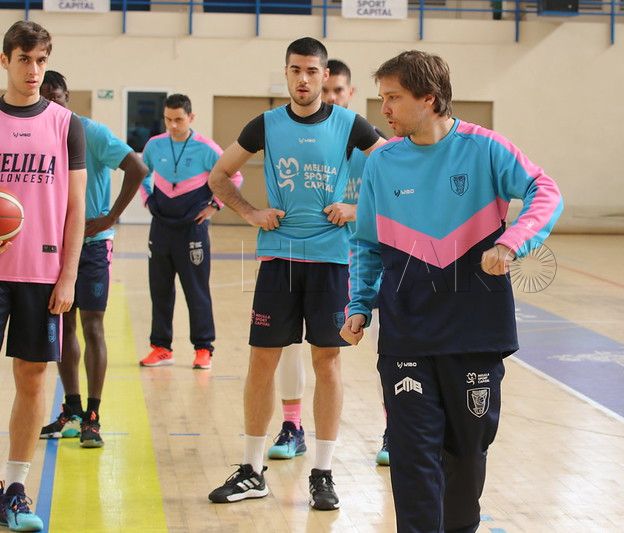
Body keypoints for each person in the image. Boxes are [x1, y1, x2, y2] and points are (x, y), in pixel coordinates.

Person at [339, 50, 563, 532]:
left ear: (430, 98)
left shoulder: (486, 149)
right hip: (407, 332)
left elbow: (546, 191)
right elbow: (365, 244)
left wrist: (511, 242)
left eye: (394, 98)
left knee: (467, 451)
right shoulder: (381, 164)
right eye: (383, 99)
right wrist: (360, 304)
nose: (385, 111)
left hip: (475, 331)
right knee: (411, 452)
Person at [206, 37, 384, 510]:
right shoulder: (264, 124)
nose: (303, 79)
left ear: (325, 76)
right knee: (261, 361)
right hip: (279, 260)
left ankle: (323, 474)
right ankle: (251, 469)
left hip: (331, 261)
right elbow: (218, 176)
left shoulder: (350, 124)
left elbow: (395, 173)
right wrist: (249, 213)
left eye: (311, 71)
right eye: (295, 71)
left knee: (328, 361)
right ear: (285, 74)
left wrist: (356, 207)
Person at [269, 58, 389, 467]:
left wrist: (355, 209)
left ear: (348, 95)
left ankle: (393, 427)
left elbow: (396, 191)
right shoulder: (306, 140)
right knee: (290, 343)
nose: (330, 98)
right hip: (316, 255)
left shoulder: (369, 142)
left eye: (338, 91)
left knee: (386, 345)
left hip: (366, 257)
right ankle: (292, 425)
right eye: (328, 90)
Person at [0, 20, 87, 532]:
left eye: (41, 60)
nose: (34, 70)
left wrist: (68, 274)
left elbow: (75, 208)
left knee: (33, 379)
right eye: (24, 59)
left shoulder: (64, 123)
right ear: (6, 60)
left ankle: (16, 485)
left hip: (40, 272)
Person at [38, 70, 148, 448]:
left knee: (93, 326)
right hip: (53, 246)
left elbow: (137, 167)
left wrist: (112, 216)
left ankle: (94, 417)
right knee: (62, 326)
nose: (51, 101)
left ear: (68, 97)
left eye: (57, 95)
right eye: (44, 95)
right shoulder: (37, 134)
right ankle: (71, 410)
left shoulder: (91, 132)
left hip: (92, 245)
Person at [138, 94, 242, 370]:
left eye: (179, 120)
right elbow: (141, 173)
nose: (173, 126)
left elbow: (236, 176)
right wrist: (147, 198)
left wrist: (215, 205)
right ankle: (161, 347)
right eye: (168, 120)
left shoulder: (206, 148)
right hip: (160, 227)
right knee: (159, 290)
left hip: (192, 230)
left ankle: (203, 348)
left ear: (191, 118)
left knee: (196, 291)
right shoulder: (154, 145)